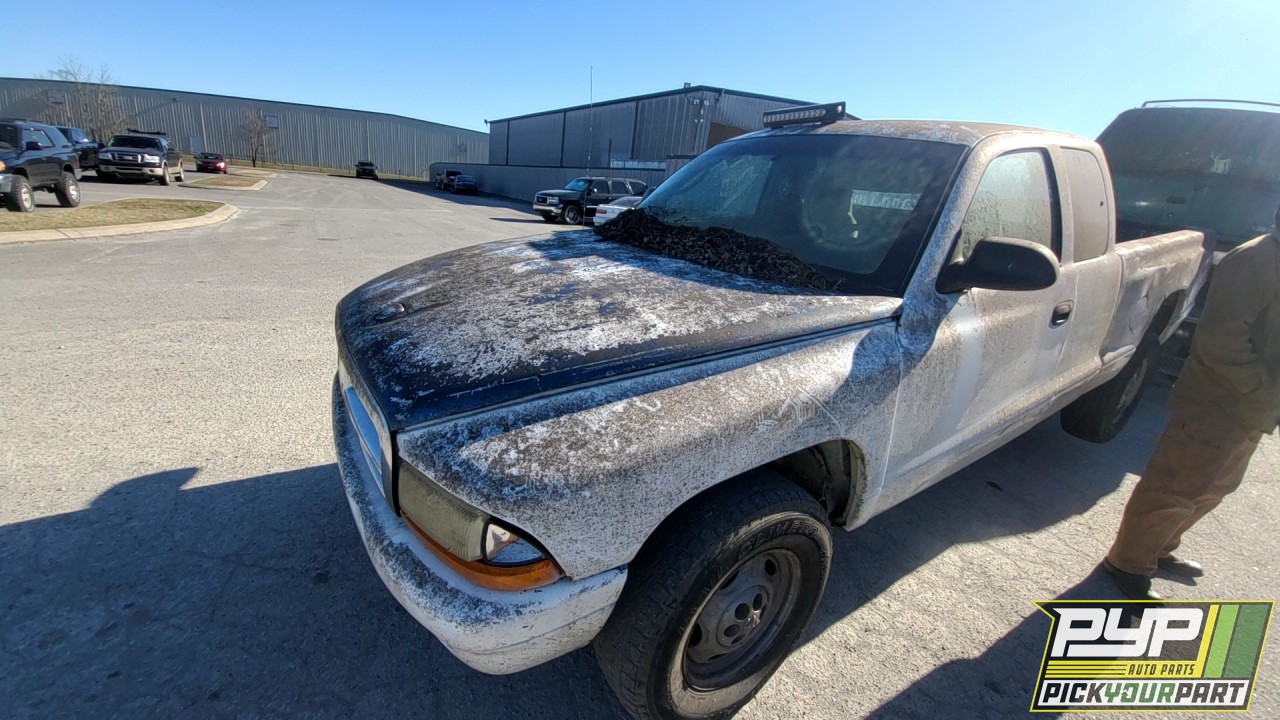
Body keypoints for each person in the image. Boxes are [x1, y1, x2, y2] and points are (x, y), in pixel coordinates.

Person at [1104, 203, 1280, 600]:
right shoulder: (1257, 260)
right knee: (1177, 485)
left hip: (1252, 408)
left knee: (1213, 488)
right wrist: (1261, 390)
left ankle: (1158, 550)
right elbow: (1222, 340)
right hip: (1221, 402)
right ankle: (1128, 563)